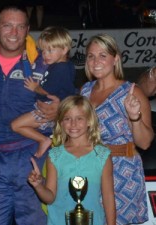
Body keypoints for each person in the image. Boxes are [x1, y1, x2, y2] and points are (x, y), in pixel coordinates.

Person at [0, 5, 59, 225]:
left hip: (36, 155)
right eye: (8, 26)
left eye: (20, 27)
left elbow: (71, 99)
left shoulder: (43, 61)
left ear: (27, 30)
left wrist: (61, 106)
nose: (14, 33)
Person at [80, 33, 154, 225]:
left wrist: (134, 117)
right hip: (90, 170)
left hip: (122, 173)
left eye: (103, 55)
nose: (96, 61)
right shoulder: (85, 91)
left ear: (116, 59)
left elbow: (145, 143)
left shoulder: (131, 92)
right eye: (91, 56)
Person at [28, 95, 116, 225]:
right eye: (67, 119)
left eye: (79, 118)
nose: (73, 124)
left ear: (89, 121)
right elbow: (50, 198)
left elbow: (108, 197)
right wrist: (38, 186)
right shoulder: (55, 155)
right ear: (61, 122)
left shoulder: (102, 155)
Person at [11, 26, 76, 158]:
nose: (45, 55)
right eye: (44, 51)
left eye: (50, 50)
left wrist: (35, 88)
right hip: (56, 108)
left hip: (48, 109)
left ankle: (43, 140)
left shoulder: (60, 69)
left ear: (64, 49)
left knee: (16, 125)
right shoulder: (66, 65)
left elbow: (47, 91)